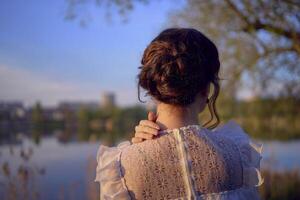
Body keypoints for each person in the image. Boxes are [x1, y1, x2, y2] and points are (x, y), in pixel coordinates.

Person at [95, 28, 263, 200]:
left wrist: (137, 149)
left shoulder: (119, 168)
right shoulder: (238, 154)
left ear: (153, 90)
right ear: (206, 89)